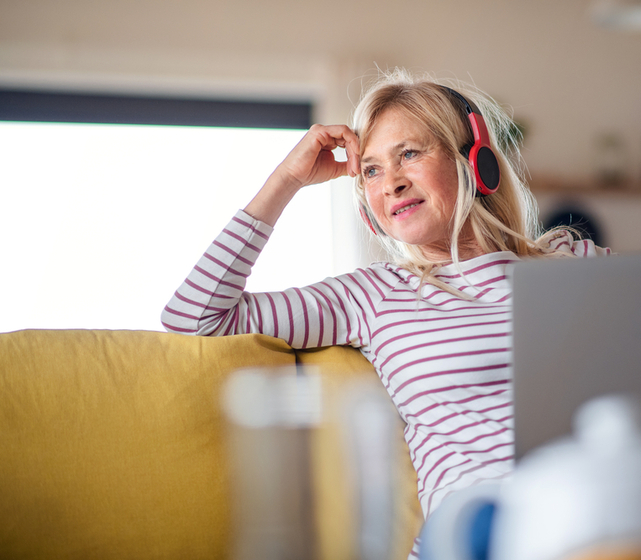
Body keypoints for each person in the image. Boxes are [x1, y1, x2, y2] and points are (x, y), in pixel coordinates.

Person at [161, 68, 609, 555]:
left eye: (409, 155)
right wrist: (287, 179)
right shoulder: (371, 295)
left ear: (474, 161)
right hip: (475, 536)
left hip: (597, 520)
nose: (391, 183)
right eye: (371, 170)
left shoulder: (574, 262)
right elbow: (196, 316)